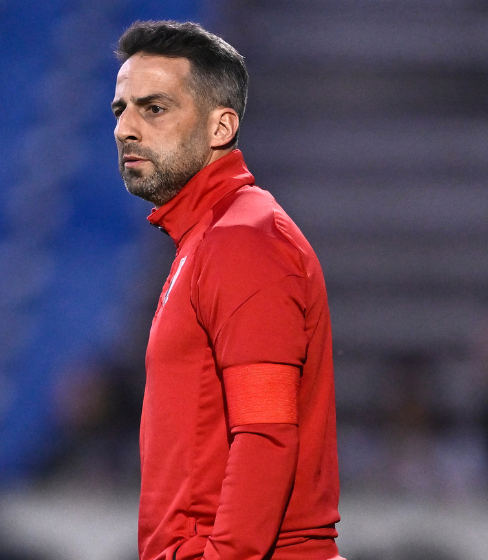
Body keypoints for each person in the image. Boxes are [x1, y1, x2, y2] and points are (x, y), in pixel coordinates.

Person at [111, 20, 342, 560]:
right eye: (120, 110)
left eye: (154, 108)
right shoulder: (209, 238)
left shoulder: (243, 239)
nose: (125, 129)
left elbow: (266, 432)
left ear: (221, 127)